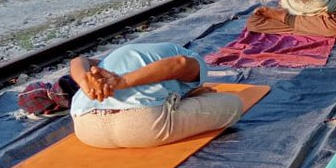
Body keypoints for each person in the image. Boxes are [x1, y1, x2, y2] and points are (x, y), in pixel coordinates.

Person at [68, 42, 243, 149]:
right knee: (234, 105)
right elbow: (180, 64)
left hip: (85, 130)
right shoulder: (194, 59)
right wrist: (124, 82)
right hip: (144, 125)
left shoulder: (117, 58)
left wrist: (85, 81)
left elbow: (77, 60)